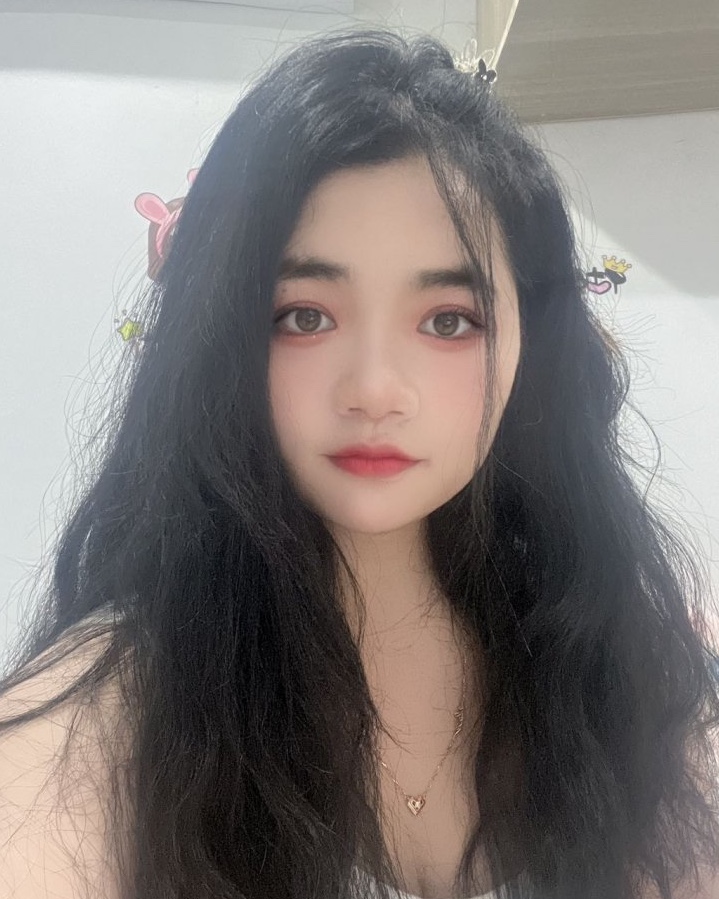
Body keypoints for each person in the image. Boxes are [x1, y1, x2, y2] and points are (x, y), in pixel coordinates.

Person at [0, 26, 718, 899]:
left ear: (530, 345)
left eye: (448, 320)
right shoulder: (116, 712)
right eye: (304, 315)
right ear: (220, 337)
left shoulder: (610, 656)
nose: (376, 389)